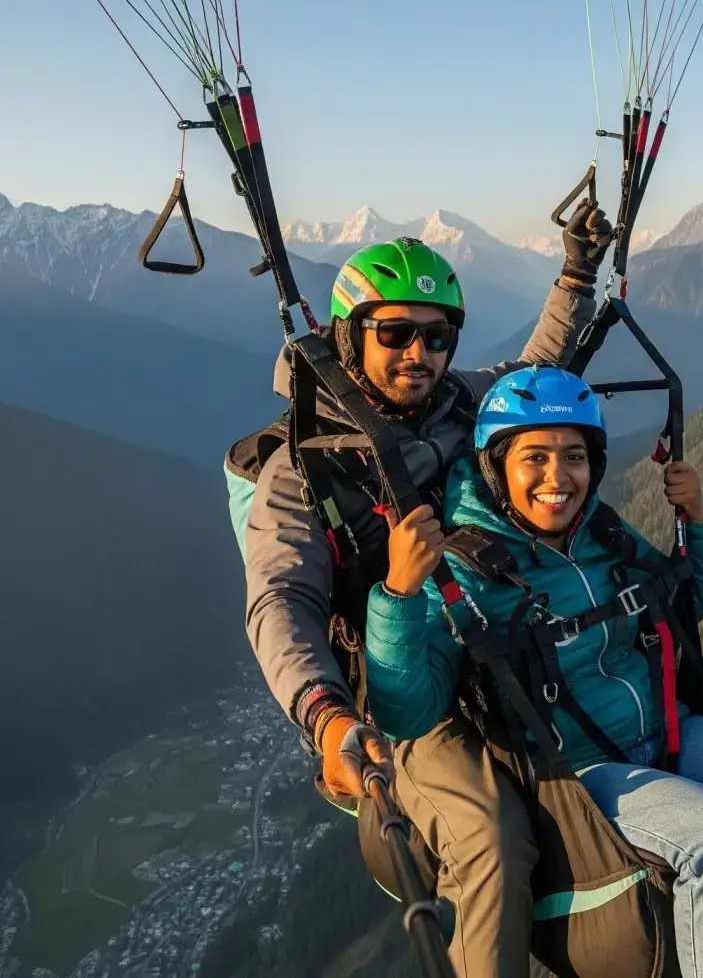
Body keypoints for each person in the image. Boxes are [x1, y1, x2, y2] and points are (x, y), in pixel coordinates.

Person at [362, 366, 703, 978]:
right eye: (535, 458)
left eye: (574, 456)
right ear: (496, 466)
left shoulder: (597, 532)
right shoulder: (462, 570)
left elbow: (681, 610)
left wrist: (699, 523)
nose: (558, 477)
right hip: (581, 772)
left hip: (666, 734)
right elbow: (406, 713)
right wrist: (397, 594)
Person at [240, 212, 612, 978]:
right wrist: (325, 712)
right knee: (488, 835)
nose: (419, 354)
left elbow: (537, 369)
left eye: (437, 336)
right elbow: (279, 601)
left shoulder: (460, 406)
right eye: (396, 333)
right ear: (349, 337)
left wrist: (575, 279)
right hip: (405, 689)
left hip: (498, 648)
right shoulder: (301, 470)